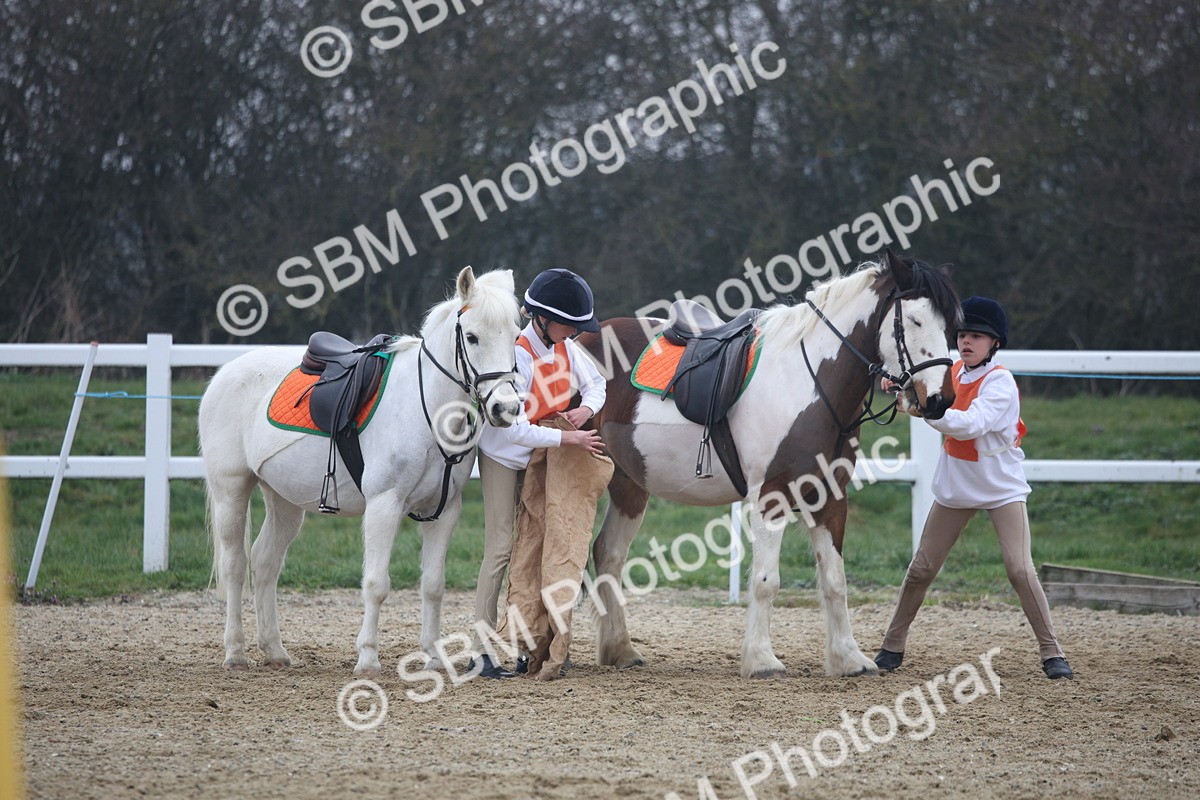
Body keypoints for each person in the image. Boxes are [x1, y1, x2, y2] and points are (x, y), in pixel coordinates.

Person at [875, 296, 1074, 680]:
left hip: (1000, 488)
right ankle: (891, 647)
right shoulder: (948, 372)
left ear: (995, 343)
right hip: (957, 486)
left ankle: (1052, 652)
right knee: (921, 569)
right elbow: (918, 388)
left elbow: (970, 424)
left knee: (1019, 570)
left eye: (977, 336)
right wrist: (899, 388)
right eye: (963, 334)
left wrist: (921, 408)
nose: (967, 341)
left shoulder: (1001, 382)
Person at [469, 268, 606, 678]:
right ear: (543, 320)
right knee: (500, 550)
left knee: (542, 548)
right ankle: (481, 651)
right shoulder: (518, 355)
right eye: (570, 324)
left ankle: (532, 643)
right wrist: (572, 440)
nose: (575, 332)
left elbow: (598, 382)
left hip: (542, 461)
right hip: (503, 458)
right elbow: (512, 427)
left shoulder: (565, 347)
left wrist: (584, 410)